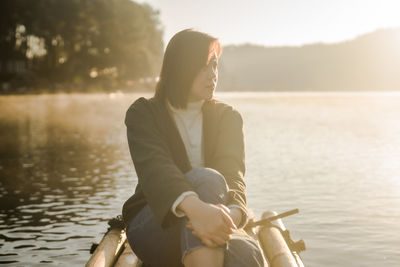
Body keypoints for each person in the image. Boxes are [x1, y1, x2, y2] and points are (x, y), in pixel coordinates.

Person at [122, 29, 265, 267]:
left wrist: (228, 217)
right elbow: (157, 171)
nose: (213, 75)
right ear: (181, 67)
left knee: (247, 254)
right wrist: (199, 211)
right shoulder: (143, 113)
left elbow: (234, 176)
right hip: (154, 227)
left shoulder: (228, 117)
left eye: (215, 66)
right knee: (207, 179)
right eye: (205, 66)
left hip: (214, 222)